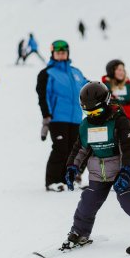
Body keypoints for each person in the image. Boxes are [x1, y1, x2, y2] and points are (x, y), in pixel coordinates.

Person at [60, 82, 130, 250]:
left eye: (96, 111)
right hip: (98, 173)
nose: (93, 116)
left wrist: (126, 171)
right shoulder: (86, 125)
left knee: (128, 201)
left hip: (121, 170)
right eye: (88, 112)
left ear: (106, 103)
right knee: (87, 202)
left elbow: (129, 147)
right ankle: (79, 232)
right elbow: (80, 148)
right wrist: (72, 167)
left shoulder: (119, 121)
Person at [36, 40, 88, 192]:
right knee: (60, 149)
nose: (61, 54)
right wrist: (46, 116)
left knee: (75, 151)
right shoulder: (47, 73)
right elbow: (43, 96)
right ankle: (53, 181)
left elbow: (87, 87)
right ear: (53, 54)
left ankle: (69, 179)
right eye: (58, 52)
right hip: (58, 118)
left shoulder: (75, 72)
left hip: (76, 118)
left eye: (63, 52)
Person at [102, 59, 130, 124]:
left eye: (123, 70)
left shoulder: (128, 89)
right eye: (119, 70)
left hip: (129, 123)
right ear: (111, 71)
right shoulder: (104, 89)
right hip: (112, 123)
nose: (122, 72)